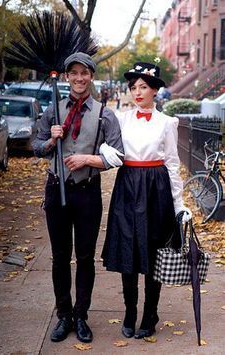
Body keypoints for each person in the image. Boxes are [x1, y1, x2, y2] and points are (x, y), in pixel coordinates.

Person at [32, 52, 124, 344]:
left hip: (87, 192)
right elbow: (35, 146)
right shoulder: (53, 110)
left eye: (85, 73)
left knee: (84, 257)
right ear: (67, 76)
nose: (79, 78)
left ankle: (81, 315)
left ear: (91, 77)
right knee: (60, 257)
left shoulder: (104, 113)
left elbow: (118, 156)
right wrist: (51, 139)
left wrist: (88, 158)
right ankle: (63, 316)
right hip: (56, 187)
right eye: (74, 73)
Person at [100, 62, 192, 340]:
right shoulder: (120, 118)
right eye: (133, 87)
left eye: (143, 87)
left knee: (154, 253)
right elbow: (106, 147)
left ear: (154, 90)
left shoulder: (167, 122)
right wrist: (105, 149)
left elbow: (173, 164)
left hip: (157, 189)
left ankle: (150, 315)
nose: (137, 92)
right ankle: (129, 312)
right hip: (128, 186)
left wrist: (179, 205)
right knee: (128, 249)